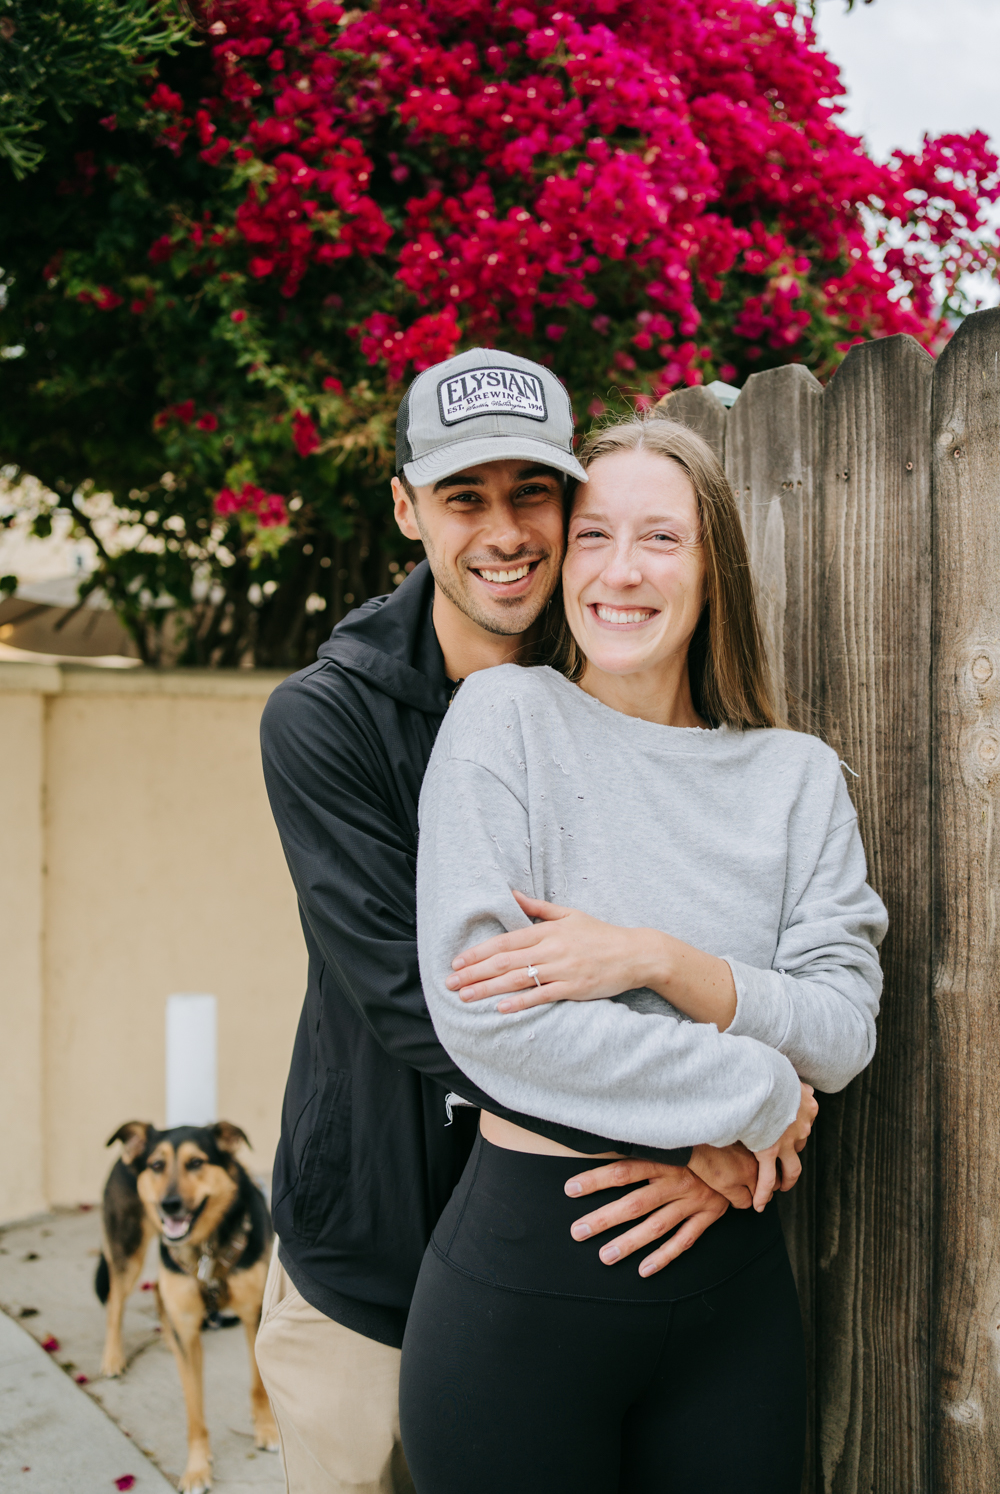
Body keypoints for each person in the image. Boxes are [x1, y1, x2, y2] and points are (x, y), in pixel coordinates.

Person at [254, 351, 756, 1494]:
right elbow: (429, 1003)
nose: (504, 531)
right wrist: (709, 1126)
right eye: (462, 497)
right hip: (372, 1268)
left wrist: (756, 1094)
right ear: (405, 507)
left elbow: (722, 938)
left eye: (531, 492)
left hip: (579, 1261)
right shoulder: (323, 723)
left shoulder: (627, 681)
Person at [401, 414, 888, 1494]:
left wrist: (658, 959)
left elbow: (844, 1032)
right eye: (595, 536)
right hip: (525, 1298)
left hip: (736, 1306)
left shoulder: (795, 778)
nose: (622, 572)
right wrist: (757, 1091)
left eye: (661, 539)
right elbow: (487, 1015)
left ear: (714, 565)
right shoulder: (503, 718)